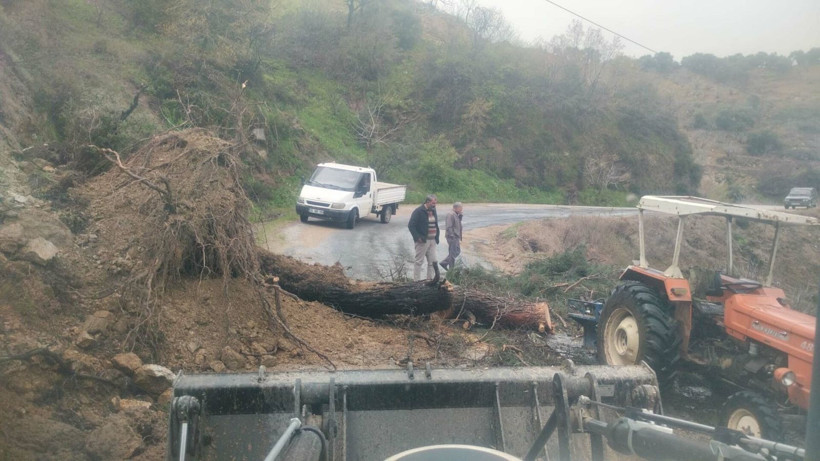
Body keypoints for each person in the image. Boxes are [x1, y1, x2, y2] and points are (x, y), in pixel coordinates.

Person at [407, 194, 439, 280]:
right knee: (419, 262)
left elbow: (435, 224)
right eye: (433, 203)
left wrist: (437, 237)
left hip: (433, 240)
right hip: (422, 241)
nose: (434, 205)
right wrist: (417, 237)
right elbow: (411, 225)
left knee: (432, 262)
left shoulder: (433, 210)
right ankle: (416, 282)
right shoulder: (418, 211)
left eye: (435, 203)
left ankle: (430, 280)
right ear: (427, 202)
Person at [440, 202, 463, 271]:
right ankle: (451, 270)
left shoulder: (456, 214)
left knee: (457, 251)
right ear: (456, 208)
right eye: (461, 208)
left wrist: (460, 216)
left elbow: (457, 224)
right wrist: (452, 236)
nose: (462, 209)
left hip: (456, 236)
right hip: (452, 237)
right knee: (452, 253)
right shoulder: (450, 214)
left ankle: (444, 262)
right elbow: (449, 227)